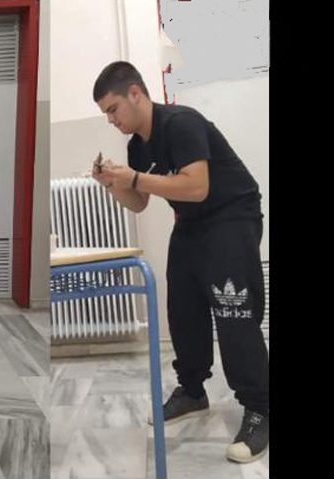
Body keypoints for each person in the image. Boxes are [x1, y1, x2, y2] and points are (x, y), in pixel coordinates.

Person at [90, 61, 269, 463]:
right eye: (105, 113)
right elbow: (139, 202)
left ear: (135, 93)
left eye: (113, 109)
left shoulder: (180, 123)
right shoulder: (137, 146)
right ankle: (192, 390)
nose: (111, 120)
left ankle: (260, 407)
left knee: (233, 311)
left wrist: (134, 178)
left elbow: (197, 186)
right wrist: (115, 184)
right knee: (183, 308)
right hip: (191, 222)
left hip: (232, 214)